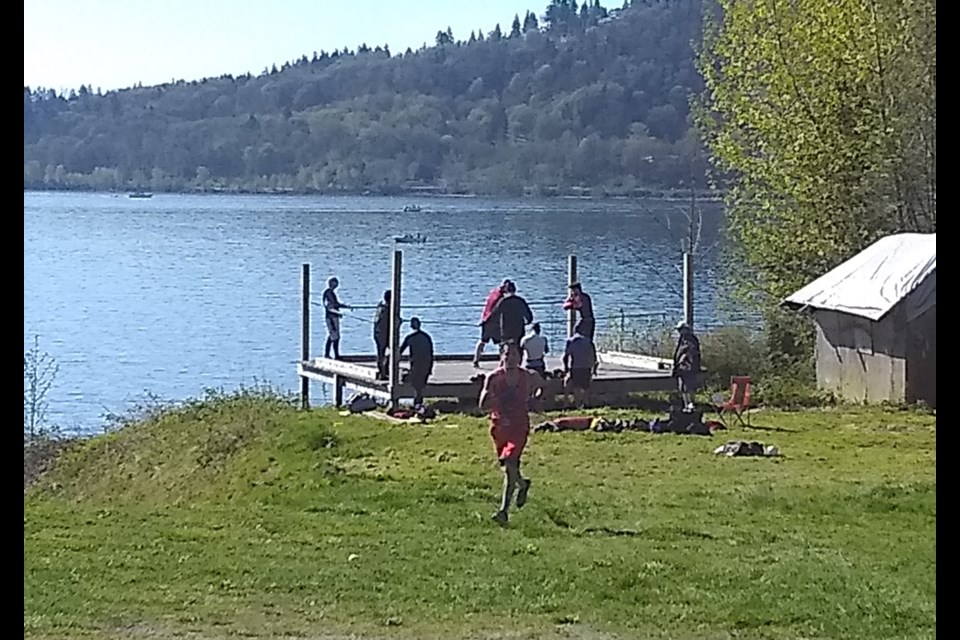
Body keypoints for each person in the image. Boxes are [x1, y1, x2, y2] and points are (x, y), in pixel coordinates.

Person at [479, 342, 542, 527]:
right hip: (499, 427)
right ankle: (522, 484)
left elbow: (544, 386)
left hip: (519, 426)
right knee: (508, 467)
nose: (511, 358)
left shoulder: (528, 376)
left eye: (514, 355)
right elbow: (482, 403)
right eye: (507, 355)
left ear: (520, 357)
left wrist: (536, 398)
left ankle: (503, 511)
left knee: (510, 464)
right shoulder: (493, 377)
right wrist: (493, 399)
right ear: (501, 356)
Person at [474, 279, 510, 368]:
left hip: (486, 320)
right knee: (501, 343)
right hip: (494, 323)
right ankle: (502, 362)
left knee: (482, 341)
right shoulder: (501, 298)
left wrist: (484, 319)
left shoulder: (493, 292)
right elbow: (497, 311)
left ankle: (476, 360)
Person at [564, 282, 598, 375]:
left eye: (574, 290)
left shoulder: (582, 297)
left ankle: (592, 361)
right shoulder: (582, 296)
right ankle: (583, 356)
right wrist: (571, 298)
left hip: (588, 321)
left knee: (586, 340)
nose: (573, 292)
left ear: (578, 289)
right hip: (584, 319)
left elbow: (573, 306)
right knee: (578, 333)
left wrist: (571, 300)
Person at [399, 317, 434, 408]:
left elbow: (400, 351)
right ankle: (418, 403)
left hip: (416, 366)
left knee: (416, 385)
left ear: (411, 326)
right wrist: (430, 368)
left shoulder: (410, 338)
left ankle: (417, 403)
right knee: (420, 385)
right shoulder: (427, 337)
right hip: (427, 365)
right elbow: (431, 353)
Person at [487, 281, 533, 347]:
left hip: (505, 330)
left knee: (505, 349)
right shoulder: (520, 301)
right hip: (519, 330)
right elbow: (529, 317)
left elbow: (494, 315)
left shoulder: (503, 301)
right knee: (519, 348)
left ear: (506, 290)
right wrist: (526, 322)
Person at [672, 321, 702, 412]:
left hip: (688, 368)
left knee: (689, 387)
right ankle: (686, 405)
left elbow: (692, 354)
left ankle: (690, 405)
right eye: (678, 330)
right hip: (681, 368)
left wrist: (687, 364)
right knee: (682, 388)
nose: (679, 331)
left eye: (680, 329)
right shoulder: (682, 339)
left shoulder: (692, 340)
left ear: (686, 329)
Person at [563, 330, 595, 408]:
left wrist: (566, 368)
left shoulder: (571, 341)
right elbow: (593, 356)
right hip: (586, 366)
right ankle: (586, 403)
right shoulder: (588, 341)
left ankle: (577, 404)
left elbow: (566, 356)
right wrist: (593, 368)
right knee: (586, 386)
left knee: (576, 386)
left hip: (575, 367)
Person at [322, 277, 351, 359]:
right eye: (335, 283)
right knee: (334, 336)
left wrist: (345, 306)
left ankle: (333, 354)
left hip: (334, 317)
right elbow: (330, 306)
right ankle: (332, 355)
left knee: (334, 336)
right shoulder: (328, 293)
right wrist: (338, 312)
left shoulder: (331, 293)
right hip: (331, 318)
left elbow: (336, 304)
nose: (336, 285)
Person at [373, 290, 392, 380]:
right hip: (383, 334)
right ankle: (383, 372)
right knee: (385, 352)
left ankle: (384, 370)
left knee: (381, 353)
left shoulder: (380, 306)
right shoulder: (387, 309)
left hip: (379, 333)